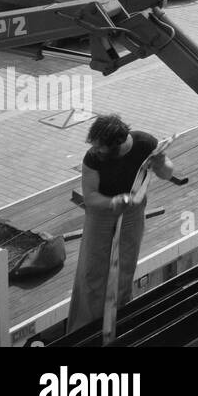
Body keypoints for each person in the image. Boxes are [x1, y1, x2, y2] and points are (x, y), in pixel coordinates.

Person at [67, 114, 175, 332]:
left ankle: (117, 323)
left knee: (124, 269)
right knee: (92, 272)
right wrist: (112, 201)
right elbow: (90, 197)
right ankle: (85, 329)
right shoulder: (93, 158)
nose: (95, 150)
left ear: (117, 144)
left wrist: (161, 162)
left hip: (132, 211)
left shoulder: (145, 143)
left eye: (100, 148)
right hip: (101, 214)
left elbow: (167, 173)